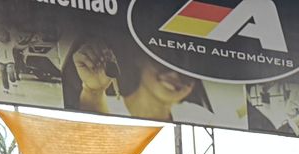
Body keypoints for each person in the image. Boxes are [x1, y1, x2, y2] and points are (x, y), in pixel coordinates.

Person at [63, 38, 210, 122]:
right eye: (163, 61)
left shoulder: (201, 117)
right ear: (140, 58)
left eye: (188, 72)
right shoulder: (106, 107)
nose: (175, 75)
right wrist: (93, 91)